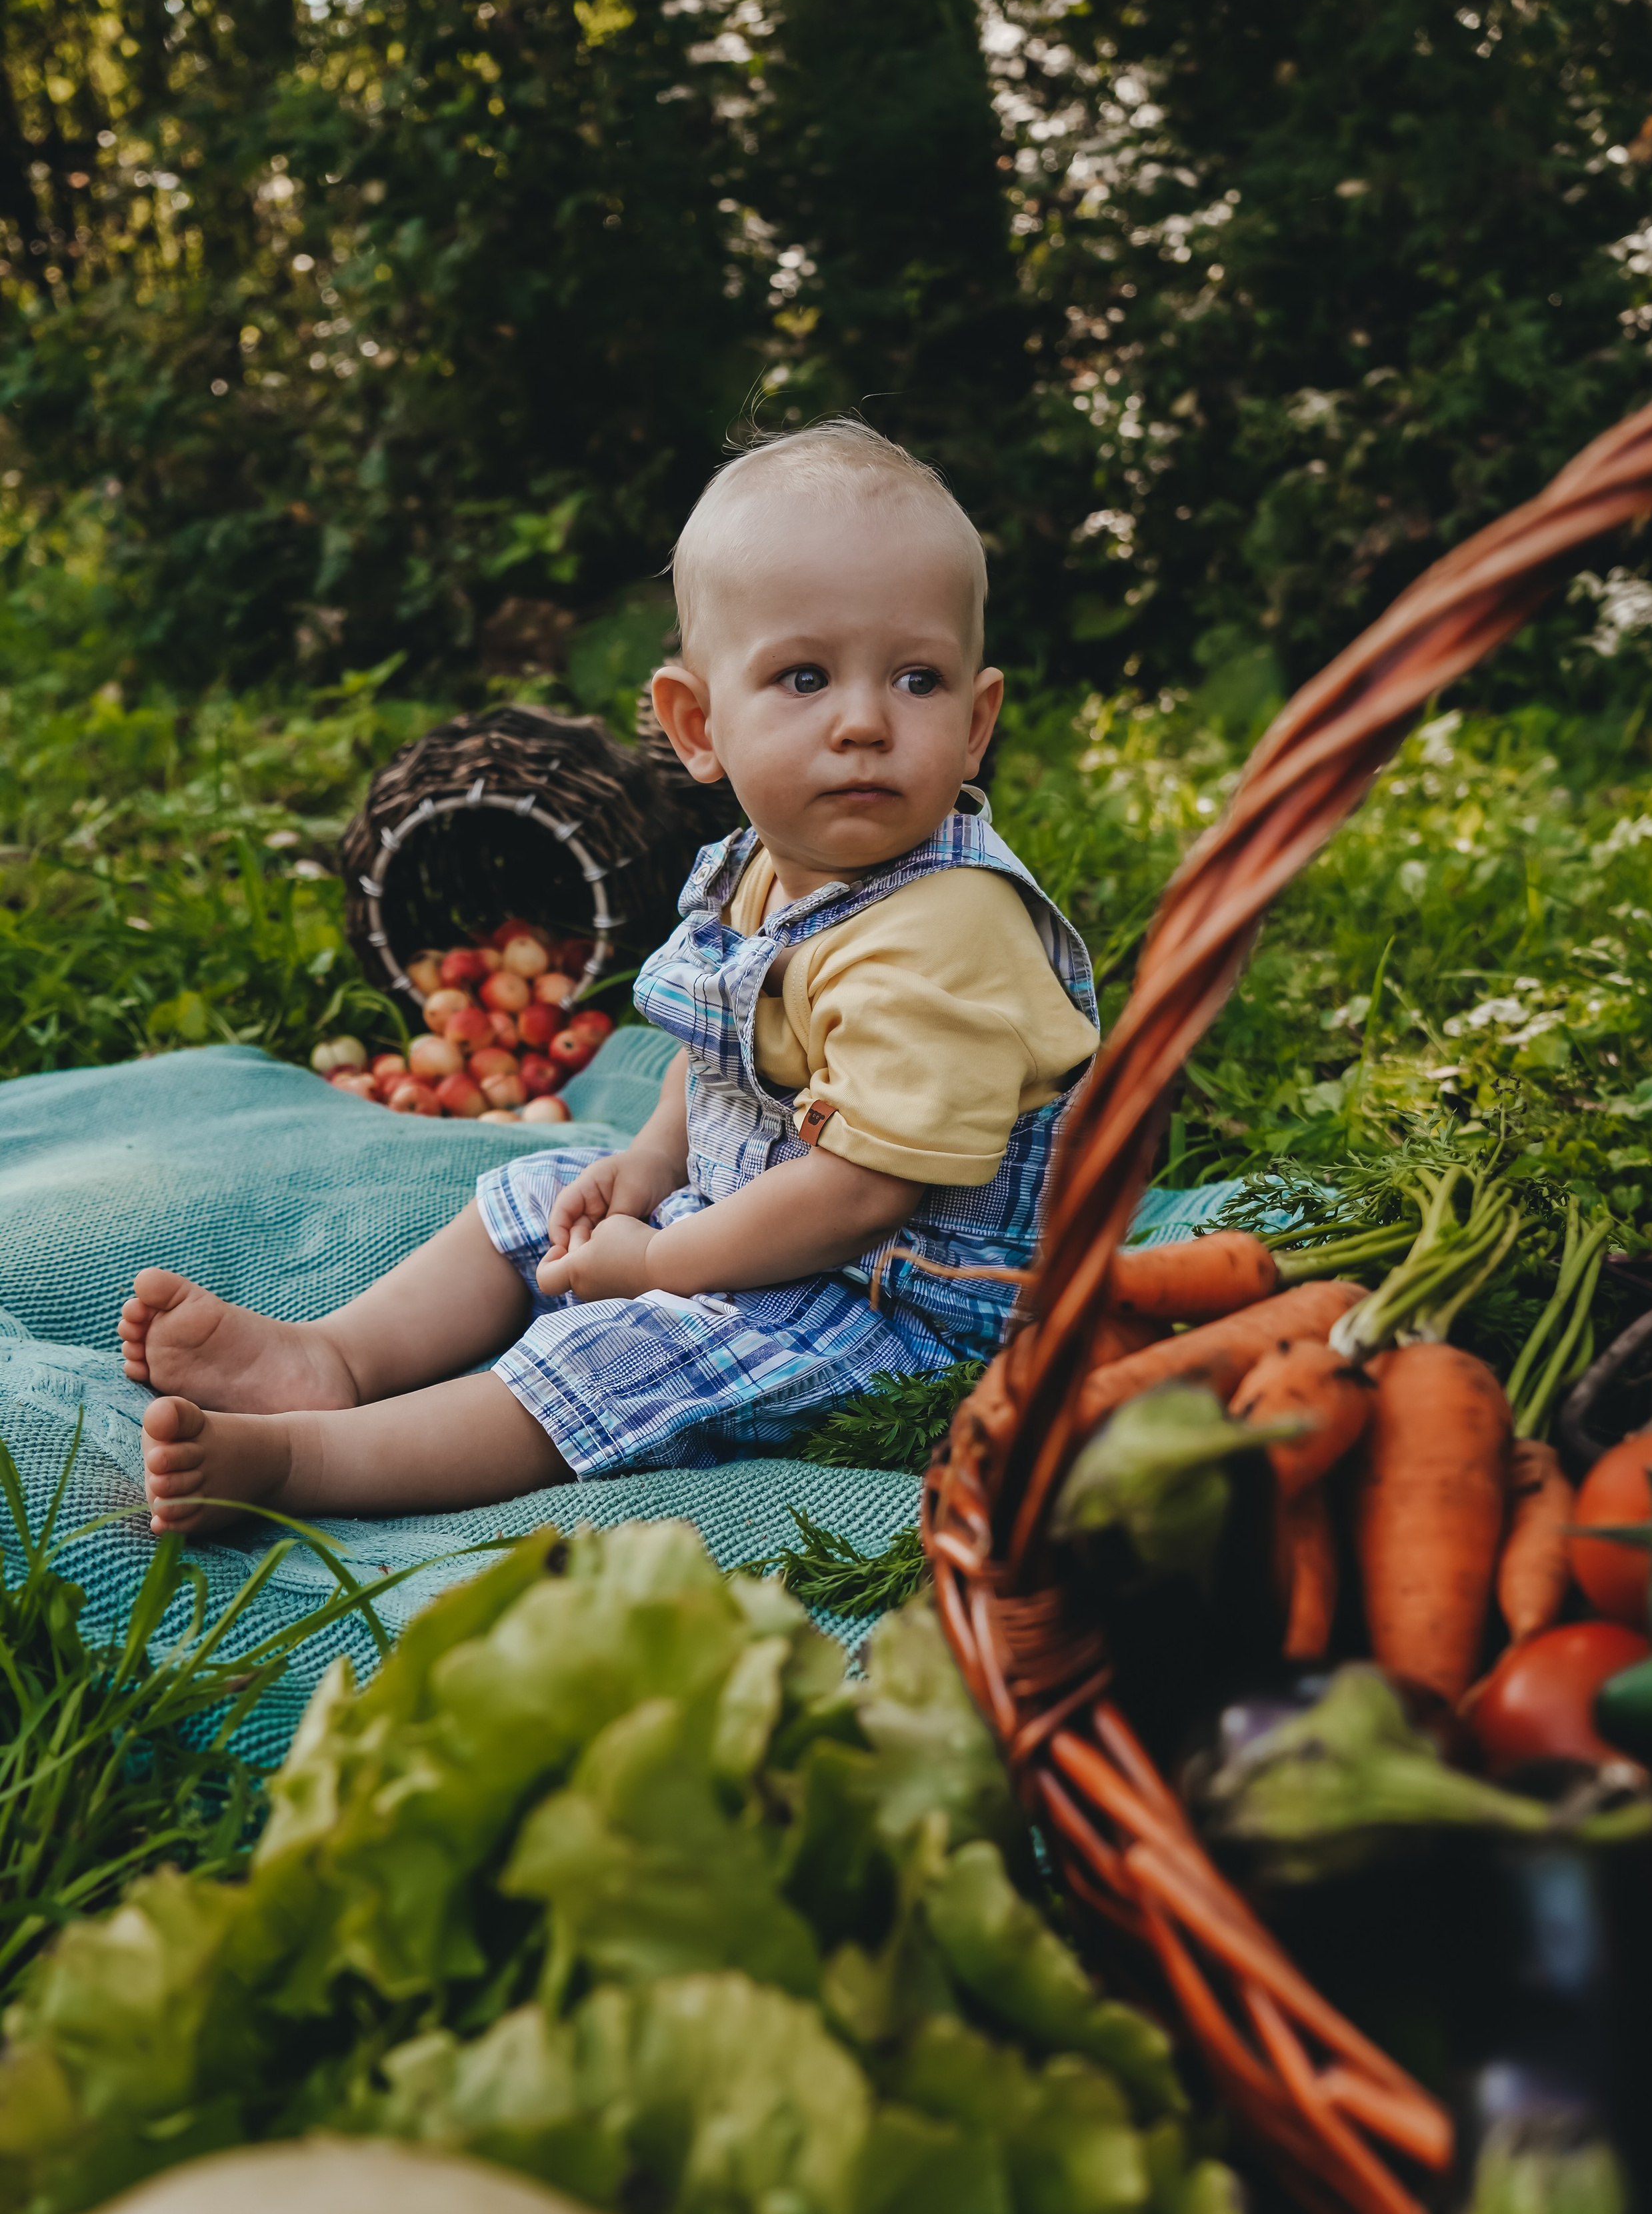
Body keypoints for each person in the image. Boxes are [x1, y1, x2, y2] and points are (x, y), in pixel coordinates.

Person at [121, 419, 1101, 1534]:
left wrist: (662, 1262)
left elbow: (861, 1194)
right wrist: (645, 1167)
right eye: (804, 676)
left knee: (631, 1355)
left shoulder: (949, 929)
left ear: (976, 724)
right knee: (542, 1196)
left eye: (918, 679)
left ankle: (307, 1463)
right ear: (697, 725)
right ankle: (334, 1357)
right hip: (773, 1228)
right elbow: (724, 1053)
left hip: (905, 1309)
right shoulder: (762, 869)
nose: (865, 722)